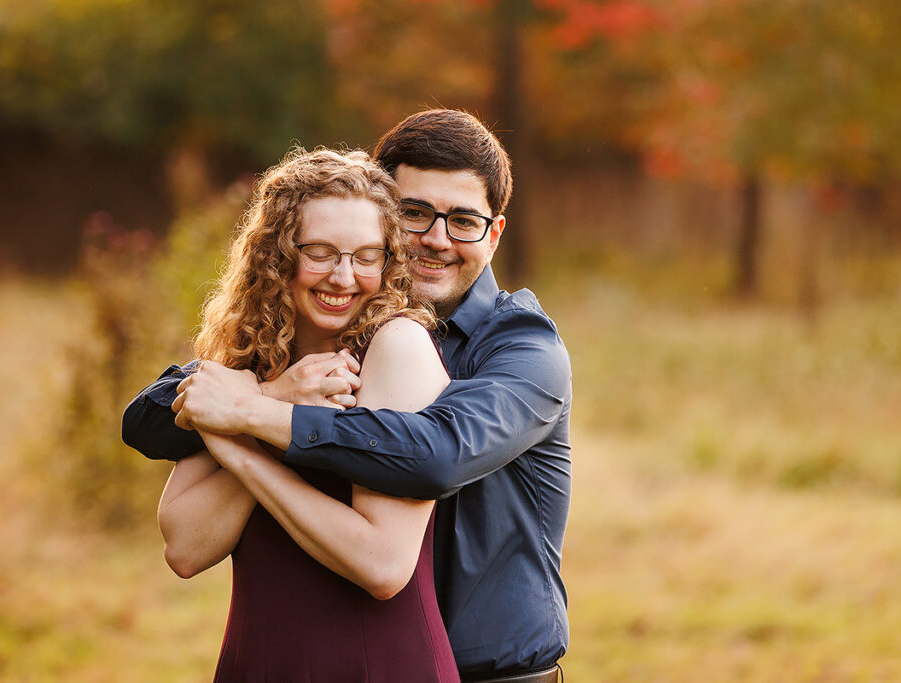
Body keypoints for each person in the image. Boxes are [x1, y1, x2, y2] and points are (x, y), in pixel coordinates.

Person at [124, 109, 572, 682]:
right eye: (415, 213)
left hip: (477, 670)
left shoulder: (519, 347)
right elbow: (149, 422)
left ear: (495, 231)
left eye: (463, 220)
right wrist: (269, 392)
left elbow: (435, 456)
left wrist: (250, 418)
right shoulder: (278, 355)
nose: (436, 239)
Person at [153, 147, 459, 681]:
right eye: (321, 252)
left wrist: (245, 432)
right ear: (277, 256)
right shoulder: (250, 362)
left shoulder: (397, 349)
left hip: (375, 666)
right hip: (259, 664)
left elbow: (384, 564)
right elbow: (183, 547)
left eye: (367, 256)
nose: (344, 278)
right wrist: (272, 400)